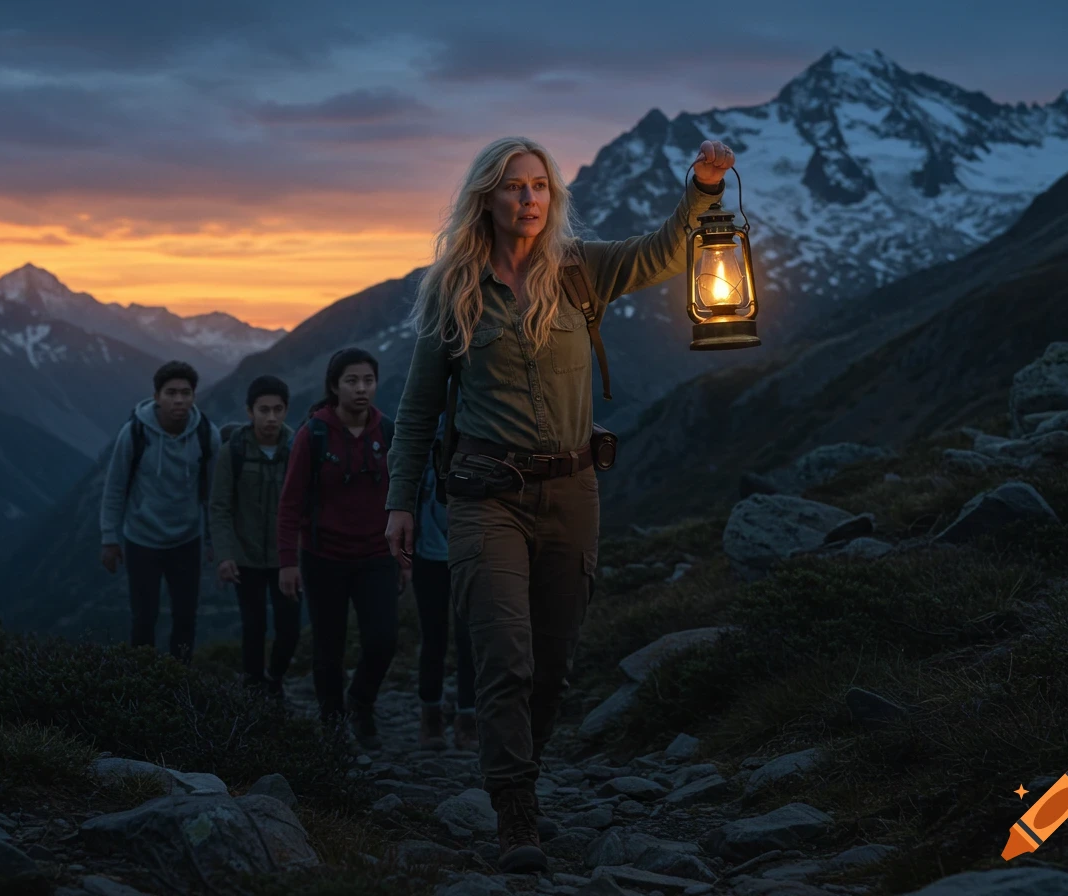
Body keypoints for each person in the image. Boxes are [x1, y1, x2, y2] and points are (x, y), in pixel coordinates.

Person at [384, 136, 736, 872]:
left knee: (552, 662)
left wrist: (703, 185)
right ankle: (515, 810)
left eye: (540, 186)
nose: (530, 200)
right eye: (515, 187)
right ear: (487, 197)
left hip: (574, 490)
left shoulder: (582, 271)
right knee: (504, 655)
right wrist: (400, 504)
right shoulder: (456, 289)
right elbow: (418, 411)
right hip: (486, 496)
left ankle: (523, 770)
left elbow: (666, 251)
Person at [276, 348, 407, 749]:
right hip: (323, 557)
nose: (361, 389)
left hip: (377, 556)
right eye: (352, 381)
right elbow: (291, 503)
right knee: (328, 649)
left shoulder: (387, 434)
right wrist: (287, 564)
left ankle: (361, 700)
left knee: (383, 640)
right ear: (334, 386)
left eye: (368, 380)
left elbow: (404, 499)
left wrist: (405, 558)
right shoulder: (313, 434)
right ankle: (332, 725)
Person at [100, 360, 221, 662]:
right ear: (156, 396)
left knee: (185, 618)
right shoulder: (135, 434)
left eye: (186, 392)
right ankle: (143, 685)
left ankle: (178, 685)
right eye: (171, 393)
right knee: (144, 618)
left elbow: (214, 495)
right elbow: (114, 487)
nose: (179, 400)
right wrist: (108, 538)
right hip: (142, 541)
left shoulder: (207, 435)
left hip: (186, 541)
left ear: (194, 396)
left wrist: (213, 541)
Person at [209, 375, 299, 698]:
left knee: (289, 629)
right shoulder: (232, 451)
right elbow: (219, 507)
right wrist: (224, 554)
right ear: (250, 411)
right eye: (264, 410)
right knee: (254, 627)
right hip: (245, 557)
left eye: (277, 409)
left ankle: (274, 677)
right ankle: (254, 693)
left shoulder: (296, 448)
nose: (271, 417)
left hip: (285, 558)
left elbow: (308, 505)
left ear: (286, 410)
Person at [412, 410, 478, 751]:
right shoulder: (425, 434)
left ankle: (467, 717)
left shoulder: (484, 426)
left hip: (470, 549)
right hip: (430, 552)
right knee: (434, 636)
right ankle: (432, 716)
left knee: (469, 638)